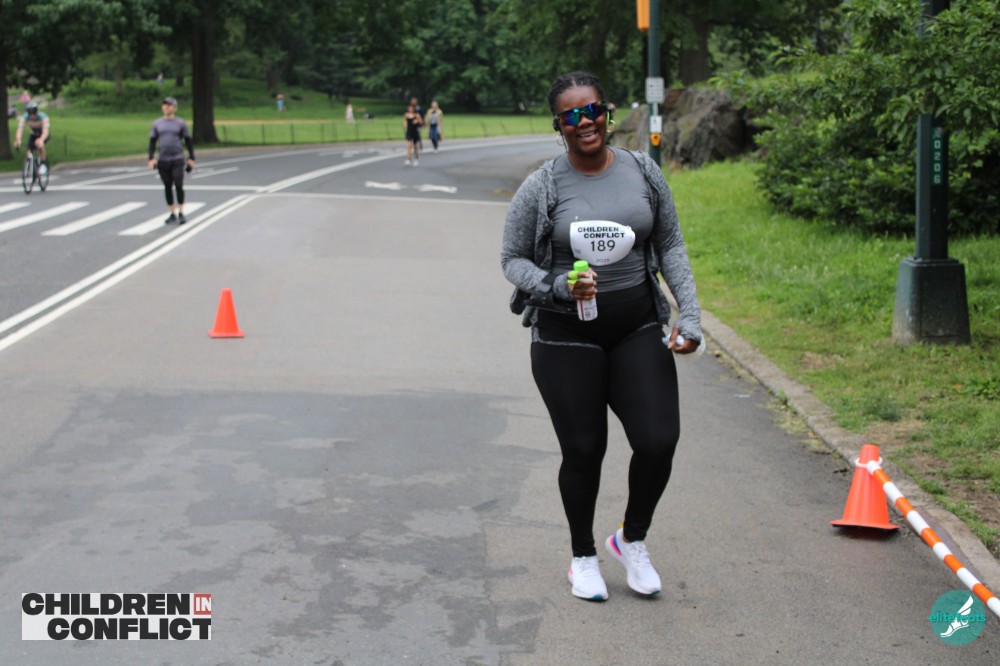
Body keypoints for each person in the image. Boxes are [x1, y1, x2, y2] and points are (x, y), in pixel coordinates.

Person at [500, 71, 703, 602]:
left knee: (658, 441)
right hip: (565, 336)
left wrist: (690, 316)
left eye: (592, 110)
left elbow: (671, 244)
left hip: (636, 325)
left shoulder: (642, 171)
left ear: (607, 113)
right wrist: (556, 286)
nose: (584, 122)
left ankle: (631, 539)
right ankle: (583, 557)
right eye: (571, 115)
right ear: (558, 126)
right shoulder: (543, 185)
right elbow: (512, 259)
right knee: (585, 449)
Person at [148, 96, 196, 224]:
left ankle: (181, 212)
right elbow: (152, 141)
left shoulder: (180, 123)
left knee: (178, 184)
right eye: (165, 104)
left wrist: (192, 157)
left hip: (177, 158)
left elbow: (188, 140)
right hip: (163, 159)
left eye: (169, 105)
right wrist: (151, 158)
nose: (166, 107)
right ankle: (171, 213)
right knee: (167, 185)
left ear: (174, 108)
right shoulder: (157, 123)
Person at [15, 102, 51, 175]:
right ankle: (30, 165)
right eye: (30, 113)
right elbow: (20, 129)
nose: (32, 116)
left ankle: (43, 164)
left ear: (37, 111)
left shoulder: (43, 117)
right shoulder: (25, 117)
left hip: (43, 134)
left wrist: (41, 140)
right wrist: (18, 139)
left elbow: (45, 131)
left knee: (40, 145)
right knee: (29, 150)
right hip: (34, 134)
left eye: (34, 113)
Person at [403, 100, 422, 166]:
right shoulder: (406, 115)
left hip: (415, 132)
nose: (410, 109)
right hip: (409, 132)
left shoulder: (417, 115)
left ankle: (416, 158)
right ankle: (408, 159)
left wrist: (417, 121)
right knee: (408, 146)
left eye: (411, 108)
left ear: (413, 109)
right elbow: (404, 121)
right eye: (409, 108)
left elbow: (421, 122)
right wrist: (405, 124)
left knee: (415, 147)